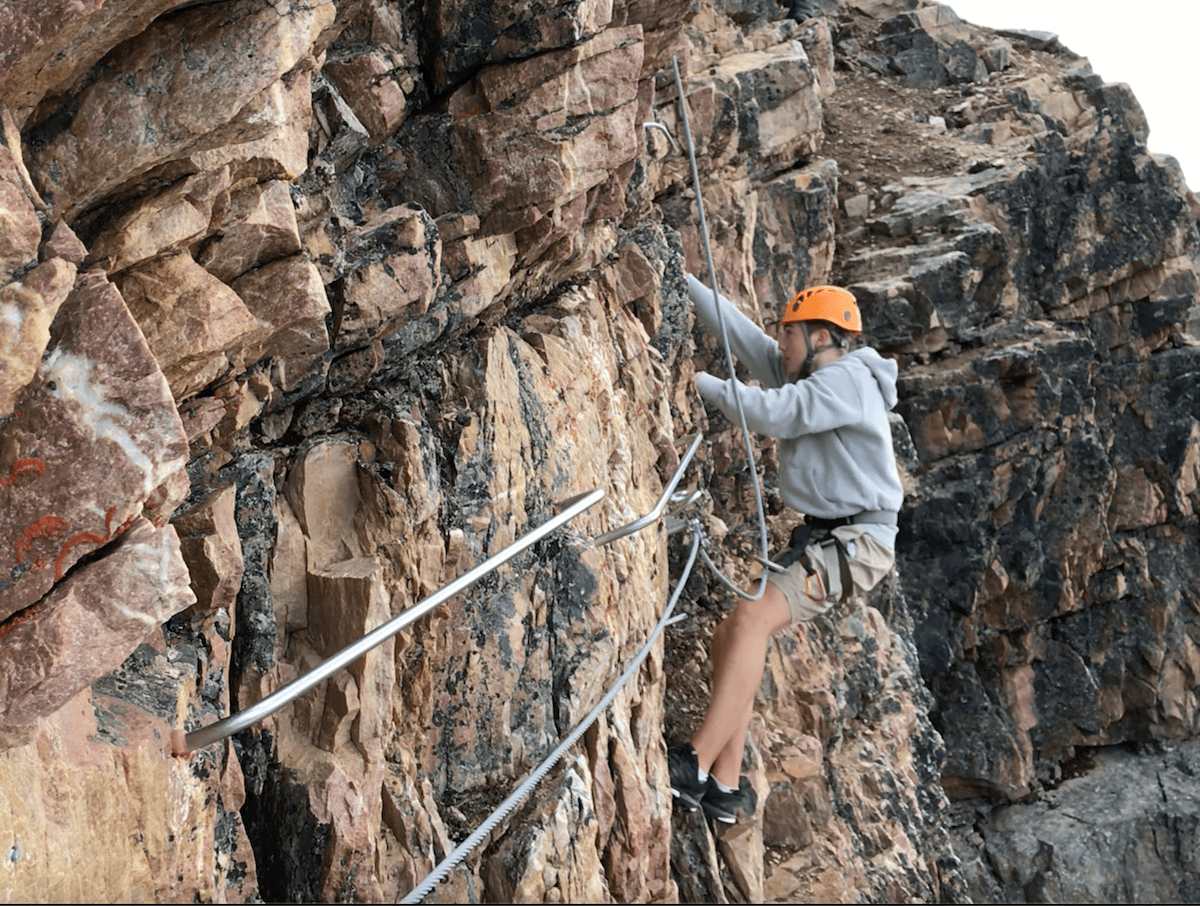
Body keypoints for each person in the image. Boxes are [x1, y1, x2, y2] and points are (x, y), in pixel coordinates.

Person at [668, 273, 904, 824]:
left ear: (821, 336)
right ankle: (726, 787)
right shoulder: (810, 373)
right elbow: (741, 336)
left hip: (858, 540)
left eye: (789, 333)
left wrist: (693, 381)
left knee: (751, 621)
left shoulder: (847, 380)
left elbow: (776, 414)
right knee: (734, 629)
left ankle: (694, 764)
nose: (780, 343)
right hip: (835, 535)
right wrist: (681, 277)